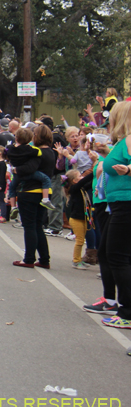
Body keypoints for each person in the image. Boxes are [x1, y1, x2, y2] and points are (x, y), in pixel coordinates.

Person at [98, 100, 131, 329]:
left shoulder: (130, 139)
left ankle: (126, 311)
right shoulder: (123, 141)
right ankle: (120, 305)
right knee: (109, 253)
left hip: (126, 203)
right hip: (118, 204)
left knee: (117, 257)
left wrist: (128, 169)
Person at [11, 122, 56, 270]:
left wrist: (16, 169)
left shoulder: (35, 152)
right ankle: (44, 259)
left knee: (29, 226)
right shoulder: (51, 152)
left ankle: (29, 258)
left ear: (36, 137)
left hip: (30, 191)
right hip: (44, 192)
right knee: (38, 226)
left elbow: (28, 169)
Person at [64, 169, 94, 270]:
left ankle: (79, 259)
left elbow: (90, 183)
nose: (82, 177)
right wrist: (94, 171)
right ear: (74, 181)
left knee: (81, 240)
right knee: (80, 240)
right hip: (76, 219)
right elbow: (85, 181)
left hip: (83, 218)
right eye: (80, 176)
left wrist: (98, 173)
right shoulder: (74, 188)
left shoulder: (81, 188)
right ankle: (76, 261)